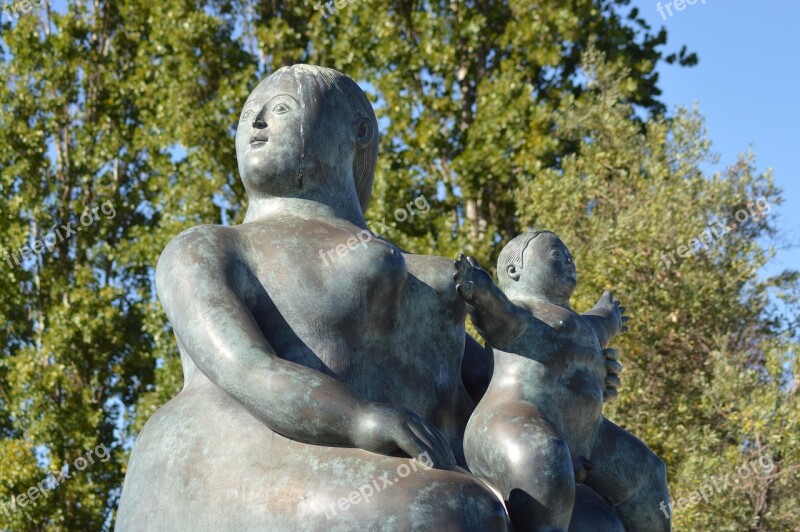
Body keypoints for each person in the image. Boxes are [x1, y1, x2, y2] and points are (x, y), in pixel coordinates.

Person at [115, 65, 509, 530]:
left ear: (358, 132)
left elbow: (489, 386)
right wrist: (359, 418)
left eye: (280, 109)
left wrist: (563, 363)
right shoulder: (207, 248)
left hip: (412, 464)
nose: (256, 123)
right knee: (452, 512)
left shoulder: (429, 276)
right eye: (247, 116)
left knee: (587, 517)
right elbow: (246, 367)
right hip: (231, 454)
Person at [455, 231, 671, 531]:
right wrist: (480, 291)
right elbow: (494, 313)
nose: (569, 262)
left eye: (569, 257)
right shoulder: (523, 313)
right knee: (546, 458)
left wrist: (612, 313)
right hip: (513, 421)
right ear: (514, 270)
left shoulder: (583, 324)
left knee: (648, 472)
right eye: (557, 256)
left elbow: (604, 319)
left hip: (589, 435)